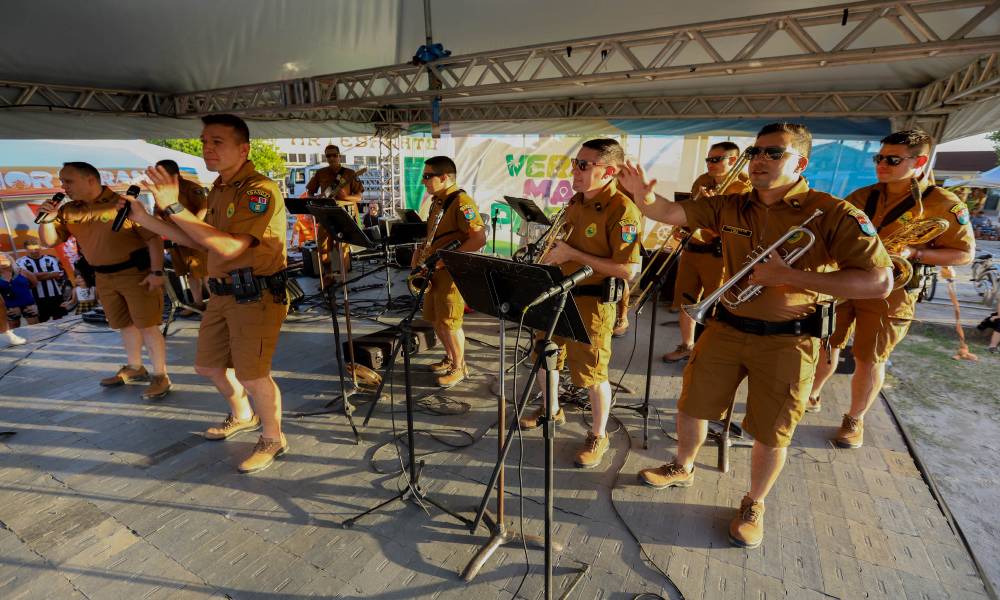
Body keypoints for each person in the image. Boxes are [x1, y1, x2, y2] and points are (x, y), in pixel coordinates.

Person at [620, 122, 893, 548]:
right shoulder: (731, 204)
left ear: (800, 163)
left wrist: (790, 275)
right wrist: (643, 196)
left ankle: (754, 503)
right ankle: (682, 466)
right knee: (692, 405)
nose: (760, 160)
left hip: (790, 340)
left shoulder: (833, 212)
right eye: (756, 152)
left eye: (774, 153)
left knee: (771, 430)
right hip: (726, 327)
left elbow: (879, 282)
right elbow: (670, 214)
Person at [120, 114, 290, 474]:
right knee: (208, 366)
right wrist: (145, 218)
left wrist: (174, 206)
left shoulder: (258, 190)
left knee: (253, 375)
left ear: (243, 150)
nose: (207, 148)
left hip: (255, 295)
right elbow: (200, 240)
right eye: (204, 142)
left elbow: (229, 247)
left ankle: (273, 437)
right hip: (224, 293)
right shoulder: (220, 188)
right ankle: (243, 415)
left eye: (217, 142)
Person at [806, 129, 974, 448]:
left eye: (892, 160)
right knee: (826, 342)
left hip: (893, 291)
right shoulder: (862, 195)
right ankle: (811, 395)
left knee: (870, 358)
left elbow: (964, 254)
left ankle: (854, 419)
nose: (882, 164)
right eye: (879, 158)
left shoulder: (945, 204)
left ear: (920, 162)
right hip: (848, 279)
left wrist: (916, 253)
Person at [518, 138, 643, 469]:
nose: (575, 170)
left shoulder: (623, 210)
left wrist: (572, 254)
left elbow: (628, 270)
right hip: (558, 291)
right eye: (576, 163)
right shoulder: (575, 201)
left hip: (591, 301)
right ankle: (551, 410)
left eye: (584, 165)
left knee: (592, 372)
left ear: (609, 172)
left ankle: (599, 434)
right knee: (546, 356)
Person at [37, 162, 171, 400]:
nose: (63, 187)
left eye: (68, 181)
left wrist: (157, 272)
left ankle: (161, 375)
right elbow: (49, 241)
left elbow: (153, 239)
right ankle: (135, 367)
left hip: (136, 274)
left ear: (90, 179)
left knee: (147, 325)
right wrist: (47, 219)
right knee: (124, 324)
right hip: (103, 276)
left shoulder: (123, 204)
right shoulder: (68, 210)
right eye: (62, 181)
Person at [663, 142, 753, 362]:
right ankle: (686, 346)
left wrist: (711, 204)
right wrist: (683, 227)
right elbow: (692, 210)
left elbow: (733, 228)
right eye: (708, 159)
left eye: (716, 159)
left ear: (733, 160)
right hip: (692, 250)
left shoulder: (743, 189)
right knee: (686, 301)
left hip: (718, 254)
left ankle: (710, 353)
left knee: (716, 306)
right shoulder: (702, 180)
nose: (710, 164)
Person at [414, 156, 487, 388]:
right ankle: (450, 358)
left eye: (427, 176)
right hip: (434, 269)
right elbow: (435, 234)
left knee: (450, 322)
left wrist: (446, 260)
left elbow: (478, 239)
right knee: (437, 320)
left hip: (451, 272)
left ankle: (459, 367)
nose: (423, 181)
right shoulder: (438, 201)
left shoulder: (462, 202)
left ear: (444, 177)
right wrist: (421, 253)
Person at [156, 159, 209, 314]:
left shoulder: (191, 188)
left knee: (205, 273)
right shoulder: (162, 191)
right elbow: (157, 213)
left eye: (160, 173)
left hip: (195, 239)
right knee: (190, 274)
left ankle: (217, 307)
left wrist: (193, 229)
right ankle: (198, 304)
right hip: (176, 241)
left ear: (173, 174)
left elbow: (204, 208)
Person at [306, 144, 365, 278]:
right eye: (328, 156)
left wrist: (345, 197)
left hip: (344, 215)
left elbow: (359, 197)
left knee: (343, 248)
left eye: (334, 155)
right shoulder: (320, 173)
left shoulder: (350, 173)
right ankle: (328, 277)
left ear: (339, 156)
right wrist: (315, 199)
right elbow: (310, 192)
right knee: (322, 248)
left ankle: (344, 280)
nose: (331, 158)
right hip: (325, 215)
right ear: (326, 157)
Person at [16, 239, 66, 322]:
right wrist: (48, 273)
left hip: (55, 294)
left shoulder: (50, 259)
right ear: (26, 249)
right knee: (41, 321)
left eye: (36, 249)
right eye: (31, 249)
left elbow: (56, 274)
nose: (34, 251)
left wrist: (33, 275)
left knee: (59, 319)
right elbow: (26, 278)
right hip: (35, 297)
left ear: (40, 248)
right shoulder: (20, 261)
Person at [0, 253, 40, 329]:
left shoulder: (22, 271)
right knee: (14, 331)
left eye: (4, 259)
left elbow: (34, 283)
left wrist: (23, 289)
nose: (2, 262)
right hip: (10, 307)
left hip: (28, 305)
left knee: (36, 329)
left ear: (10, 260)